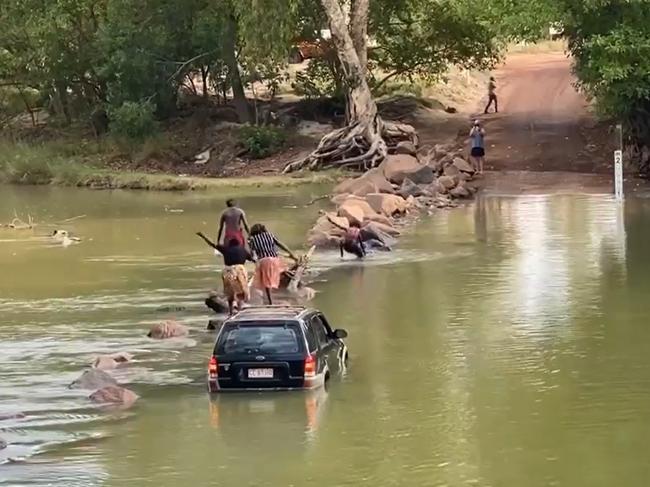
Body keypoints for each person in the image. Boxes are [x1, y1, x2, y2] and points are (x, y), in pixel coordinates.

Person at [197, 231, 253, 315]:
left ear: (230, 244)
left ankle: (230, 311)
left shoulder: (226, 249)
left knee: (229, 292)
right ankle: (239, 309)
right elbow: (252, 258)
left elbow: (212, 244)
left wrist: (203, 236)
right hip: (240, 269)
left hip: (228, 271)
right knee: (241, 291)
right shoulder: (242, 250)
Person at [248, 223, 297, 305]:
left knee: (266, 283)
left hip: (264, 261)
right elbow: (281, 245)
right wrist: (291, 253)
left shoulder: (253, 239)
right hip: (275, 260)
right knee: (279, 265)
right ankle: (287, 272)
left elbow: (253, 255)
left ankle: (270, 303)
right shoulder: (270, 235)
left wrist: (254, 261)